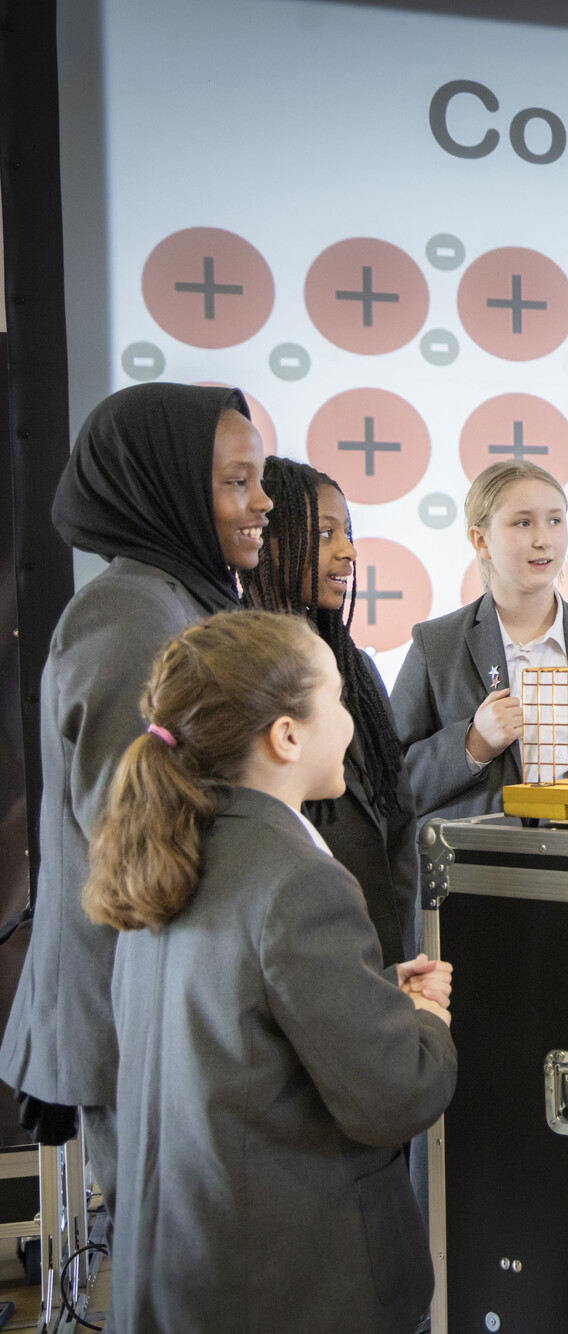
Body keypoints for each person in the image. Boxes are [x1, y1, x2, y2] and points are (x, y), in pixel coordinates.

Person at [86, 610, 456, 1334]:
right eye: (339, 701)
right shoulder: (300, 883)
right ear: (286, 736)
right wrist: (423, 1021)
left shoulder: (171, 853)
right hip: (288, 1291)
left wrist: (375, 997)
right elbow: (394, 1096)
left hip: (179, 1277)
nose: (352, 723)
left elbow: (244, 1029)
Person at [0, 382, 271, 1221]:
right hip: (141, 1021)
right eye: (236, 482)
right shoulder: (129, 615)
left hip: (164, 1014)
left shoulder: (183, 599)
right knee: (172, 1272)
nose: (263, 501)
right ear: (165, 488)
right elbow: (142, 844)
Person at [391, 461, 568, 826]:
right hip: (478, 871)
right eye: (523, 522)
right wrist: (472, 745)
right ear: (480, 540)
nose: (543, 539)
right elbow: (390, 786)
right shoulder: (435, 645)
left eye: (555, 520)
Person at [245, 457, 422, 969]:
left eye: (347, 532)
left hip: (378, 949)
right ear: (269, 538)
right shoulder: (238, 672)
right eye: (324, 534)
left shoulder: (357, 669)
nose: (348, 552)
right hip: (293, 956)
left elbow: (399, 813)